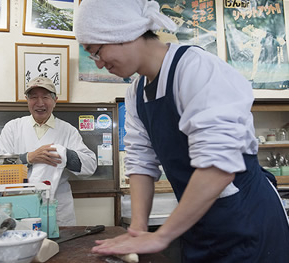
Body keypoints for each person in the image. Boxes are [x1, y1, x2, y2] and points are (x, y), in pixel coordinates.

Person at [74, 0, 289, 262]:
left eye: (96, 51)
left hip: (248, 220)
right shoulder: (136, 94)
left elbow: (218, 165)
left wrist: (161, 236)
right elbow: (140, 161)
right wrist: (138, 230)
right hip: (199, 224)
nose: (98, 63)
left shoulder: (196, 68)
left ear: (121, 31)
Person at [0, 76, 97, 226]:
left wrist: (64, 155)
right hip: (19, 207)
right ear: (27, 100)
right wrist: (28, 158)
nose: (40, 103)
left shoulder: (68, 131)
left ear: (55, 100)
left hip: (58, 208)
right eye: (34, 97)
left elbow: (90, 165)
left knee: (61, 247)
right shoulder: (13, 128)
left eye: (46, 97)